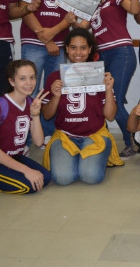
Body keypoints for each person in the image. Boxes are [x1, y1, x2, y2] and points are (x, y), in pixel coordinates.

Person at [41, 29, 124, 185]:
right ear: (66, 48)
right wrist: (56, 96)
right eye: (73, 47)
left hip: (94, 135)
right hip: (65, 136)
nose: (78, 52)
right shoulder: (55, 77)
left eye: (83, 48)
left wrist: (108, 90)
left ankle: (91, 157)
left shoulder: (100, 76)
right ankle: (79, 158)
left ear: (90, 49)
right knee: (63, 178)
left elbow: (110, 116)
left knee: (91, 177)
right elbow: (46, 115)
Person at [78, 0, 140, 157]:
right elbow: (81, 28)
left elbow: (135, 9)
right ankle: (104, 140)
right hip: (100, 57)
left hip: (121, 52)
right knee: (104, 100)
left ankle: (132, 143)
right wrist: (70, 16)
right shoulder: (93, 6)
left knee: (115, 101)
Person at [21, 0, 77, 140]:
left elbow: (70, 17)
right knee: (28, 89)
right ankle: (25, 137)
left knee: (55, 90)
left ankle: (49, 134)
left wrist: (52, 36)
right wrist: (47, 39)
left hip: (60, 45)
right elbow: (23, 9)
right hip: (33, 42)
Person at [0, 60, 51, 194]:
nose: (29, 83)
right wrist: (26, 170)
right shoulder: (2, 104)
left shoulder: (30, 102)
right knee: (28, 186)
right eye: (22, 78)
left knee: (45, 177)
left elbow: (38, 142)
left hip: (14, 156)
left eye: (32, 77)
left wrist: (35, 115)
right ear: (12, 82)